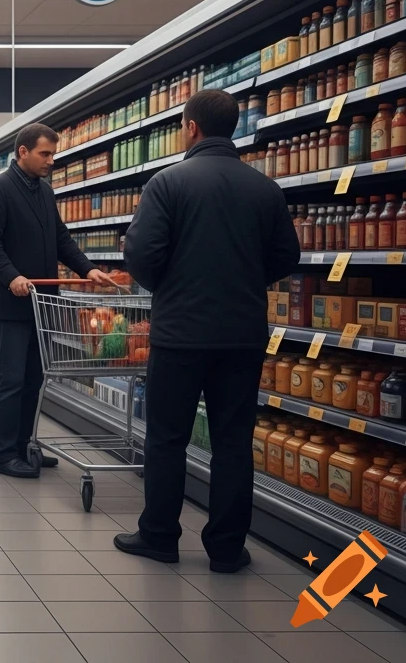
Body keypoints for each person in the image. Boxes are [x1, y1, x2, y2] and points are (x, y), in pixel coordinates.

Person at [114, 90, 300, 572]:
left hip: (180, 335)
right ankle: (225, 548)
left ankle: (159, 536)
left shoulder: (168, 183)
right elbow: (286, 257)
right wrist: (242, 280)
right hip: (241, 334)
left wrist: (170, 287)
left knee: (167, 438)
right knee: (234, 440)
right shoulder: (265, 189)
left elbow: (141, 255)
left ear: (191, 127)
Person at [0, 123, 112, 478]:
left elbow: (62, 239)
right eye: (45, 154)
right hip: (13, 305)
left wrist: (87, 270)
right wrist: (11, 276)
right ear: (23, 152)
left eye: (53, 154)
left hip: (42, 304)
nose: (51, 160)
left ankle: (24, 446)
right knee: (10, 380)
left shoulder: (45, 191)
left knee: (34, 378)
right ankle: (3, 455)